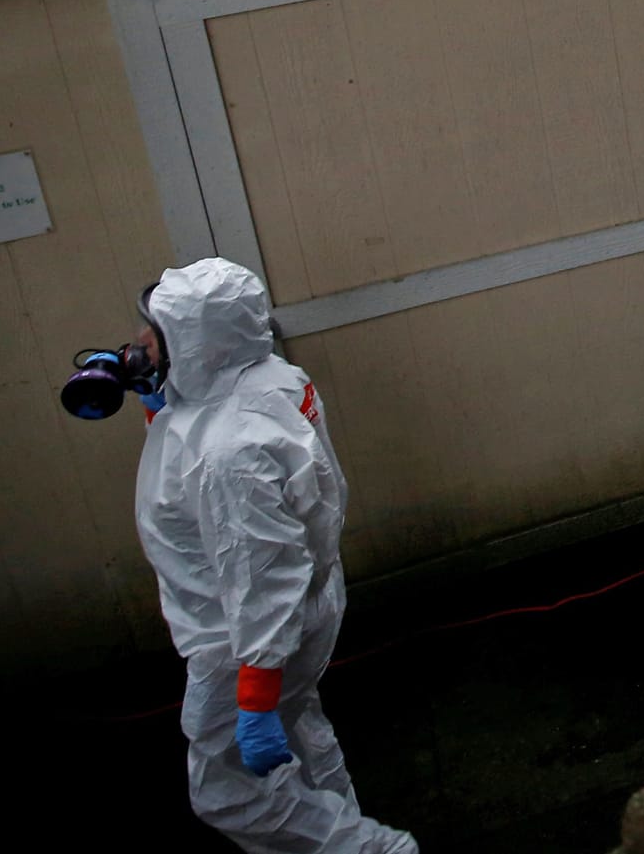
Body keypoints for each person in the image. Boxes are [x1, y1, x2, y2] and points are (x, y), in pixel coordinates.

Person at [130, 258, 418, 854]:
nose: (139, 343)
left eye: (155, 333)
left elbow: (262, 569)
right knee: (301, 739)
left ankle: (370, 851)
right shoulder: (266, 376)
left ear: (194, 343)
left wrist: (255, 692)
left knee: (228, 790)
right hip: (299, 608)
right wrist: (162, 402)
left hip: (244, 637)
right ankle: (339, 826)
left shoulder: (228, 454)